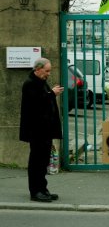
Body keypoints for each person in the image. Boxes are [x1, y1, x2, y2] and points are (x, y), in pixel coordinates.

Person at [19, 58, 64, 202]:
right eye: (47, 71)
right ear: (38, 69)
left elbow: (44, 100)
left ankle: (43, 189)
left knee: (43, 161)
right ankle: (35, 192)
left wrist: (51, 93)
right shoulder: (30, 84)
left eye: (49, 71)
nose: (49, 74)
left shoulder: (41, 82)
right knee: (36, 162)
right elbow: (37, 103)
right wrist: (52, 94)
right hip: (36, 131)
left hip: (45, 130)